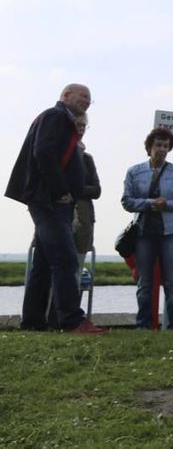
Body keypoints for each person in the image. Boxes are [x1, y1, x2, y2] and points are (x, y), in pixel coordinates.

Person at [5, 84, 104, 334]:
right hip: (49, 201)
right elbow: (44, 152)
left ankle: (33, 322)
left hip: (48, 199)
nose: (87, 101)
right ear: (65, 96)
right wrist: (61, 190)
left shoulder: (60, 120)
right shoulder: (55, 116)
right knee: (65, 258)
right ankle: (72, 321)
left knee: (43, 263)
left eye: (90, 99)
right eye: (82, 96)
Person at [122, 127, 173, 330]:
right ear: (149, 147)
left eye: (166, 146)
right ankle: (143, 325)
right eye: (158, 145)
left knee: (171, 280)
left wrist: (168, 205)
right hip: (144, 232)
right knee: (144, 282)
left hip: (170, 231)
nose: (162, 149)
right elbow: (126, 201)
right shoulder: (134, 171)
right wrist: (150, 203)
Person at [72, 113, 101, 292]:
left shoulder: (87, 158)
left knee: (77, 270)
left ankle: (72, 316)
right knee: (53, 270)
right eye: (78, 125)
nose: (81, 129)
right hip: (59, 219)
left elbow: (96, 190)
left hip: (84, 220)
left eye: (84, 126)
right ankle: (48, 317)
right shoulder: (55, 152)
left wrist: (73, 190)